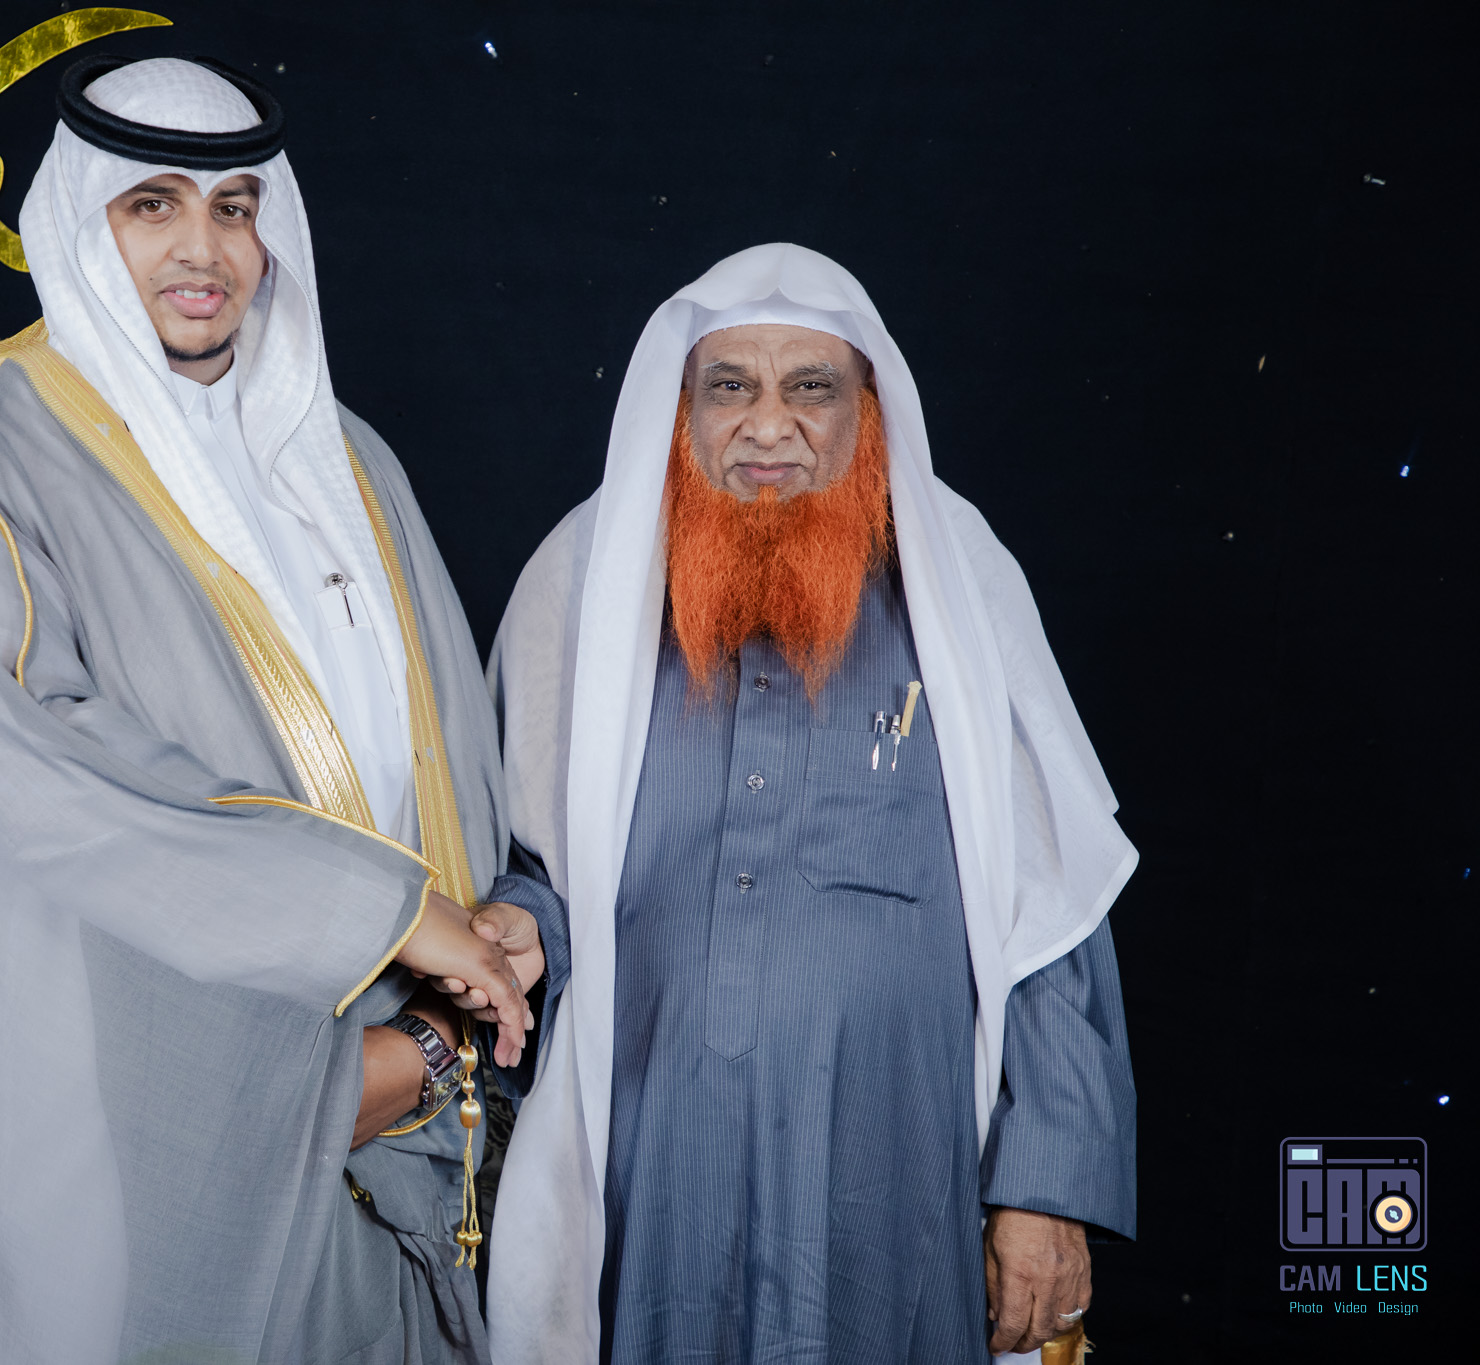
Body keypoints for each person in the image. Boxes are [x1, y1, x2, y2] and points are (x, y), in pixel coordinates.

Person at [0, 56, 534, 1365]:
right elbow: (32, 781)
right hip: (116, 1158)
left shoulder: (349, 462)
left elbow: (445, 759)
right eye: (152, 206)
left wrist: (491, 934)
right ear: (80, 221)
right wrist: (388, 916)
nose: (204, 250)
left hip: (407, 1122)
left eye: (236, 208)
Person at [470, 244, 1140, 1364]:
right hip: (649, 1168)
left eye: (810, 388)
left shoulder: (955, 581)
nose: (768, 426)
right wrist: (522, 923)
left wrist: (1045, 1187)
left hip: (897, 1175)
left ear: (866, 410)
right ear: (679, 411)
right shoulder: (582, 581)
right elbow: (535, 868)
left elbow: (1052, 911)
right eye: (729, 386)